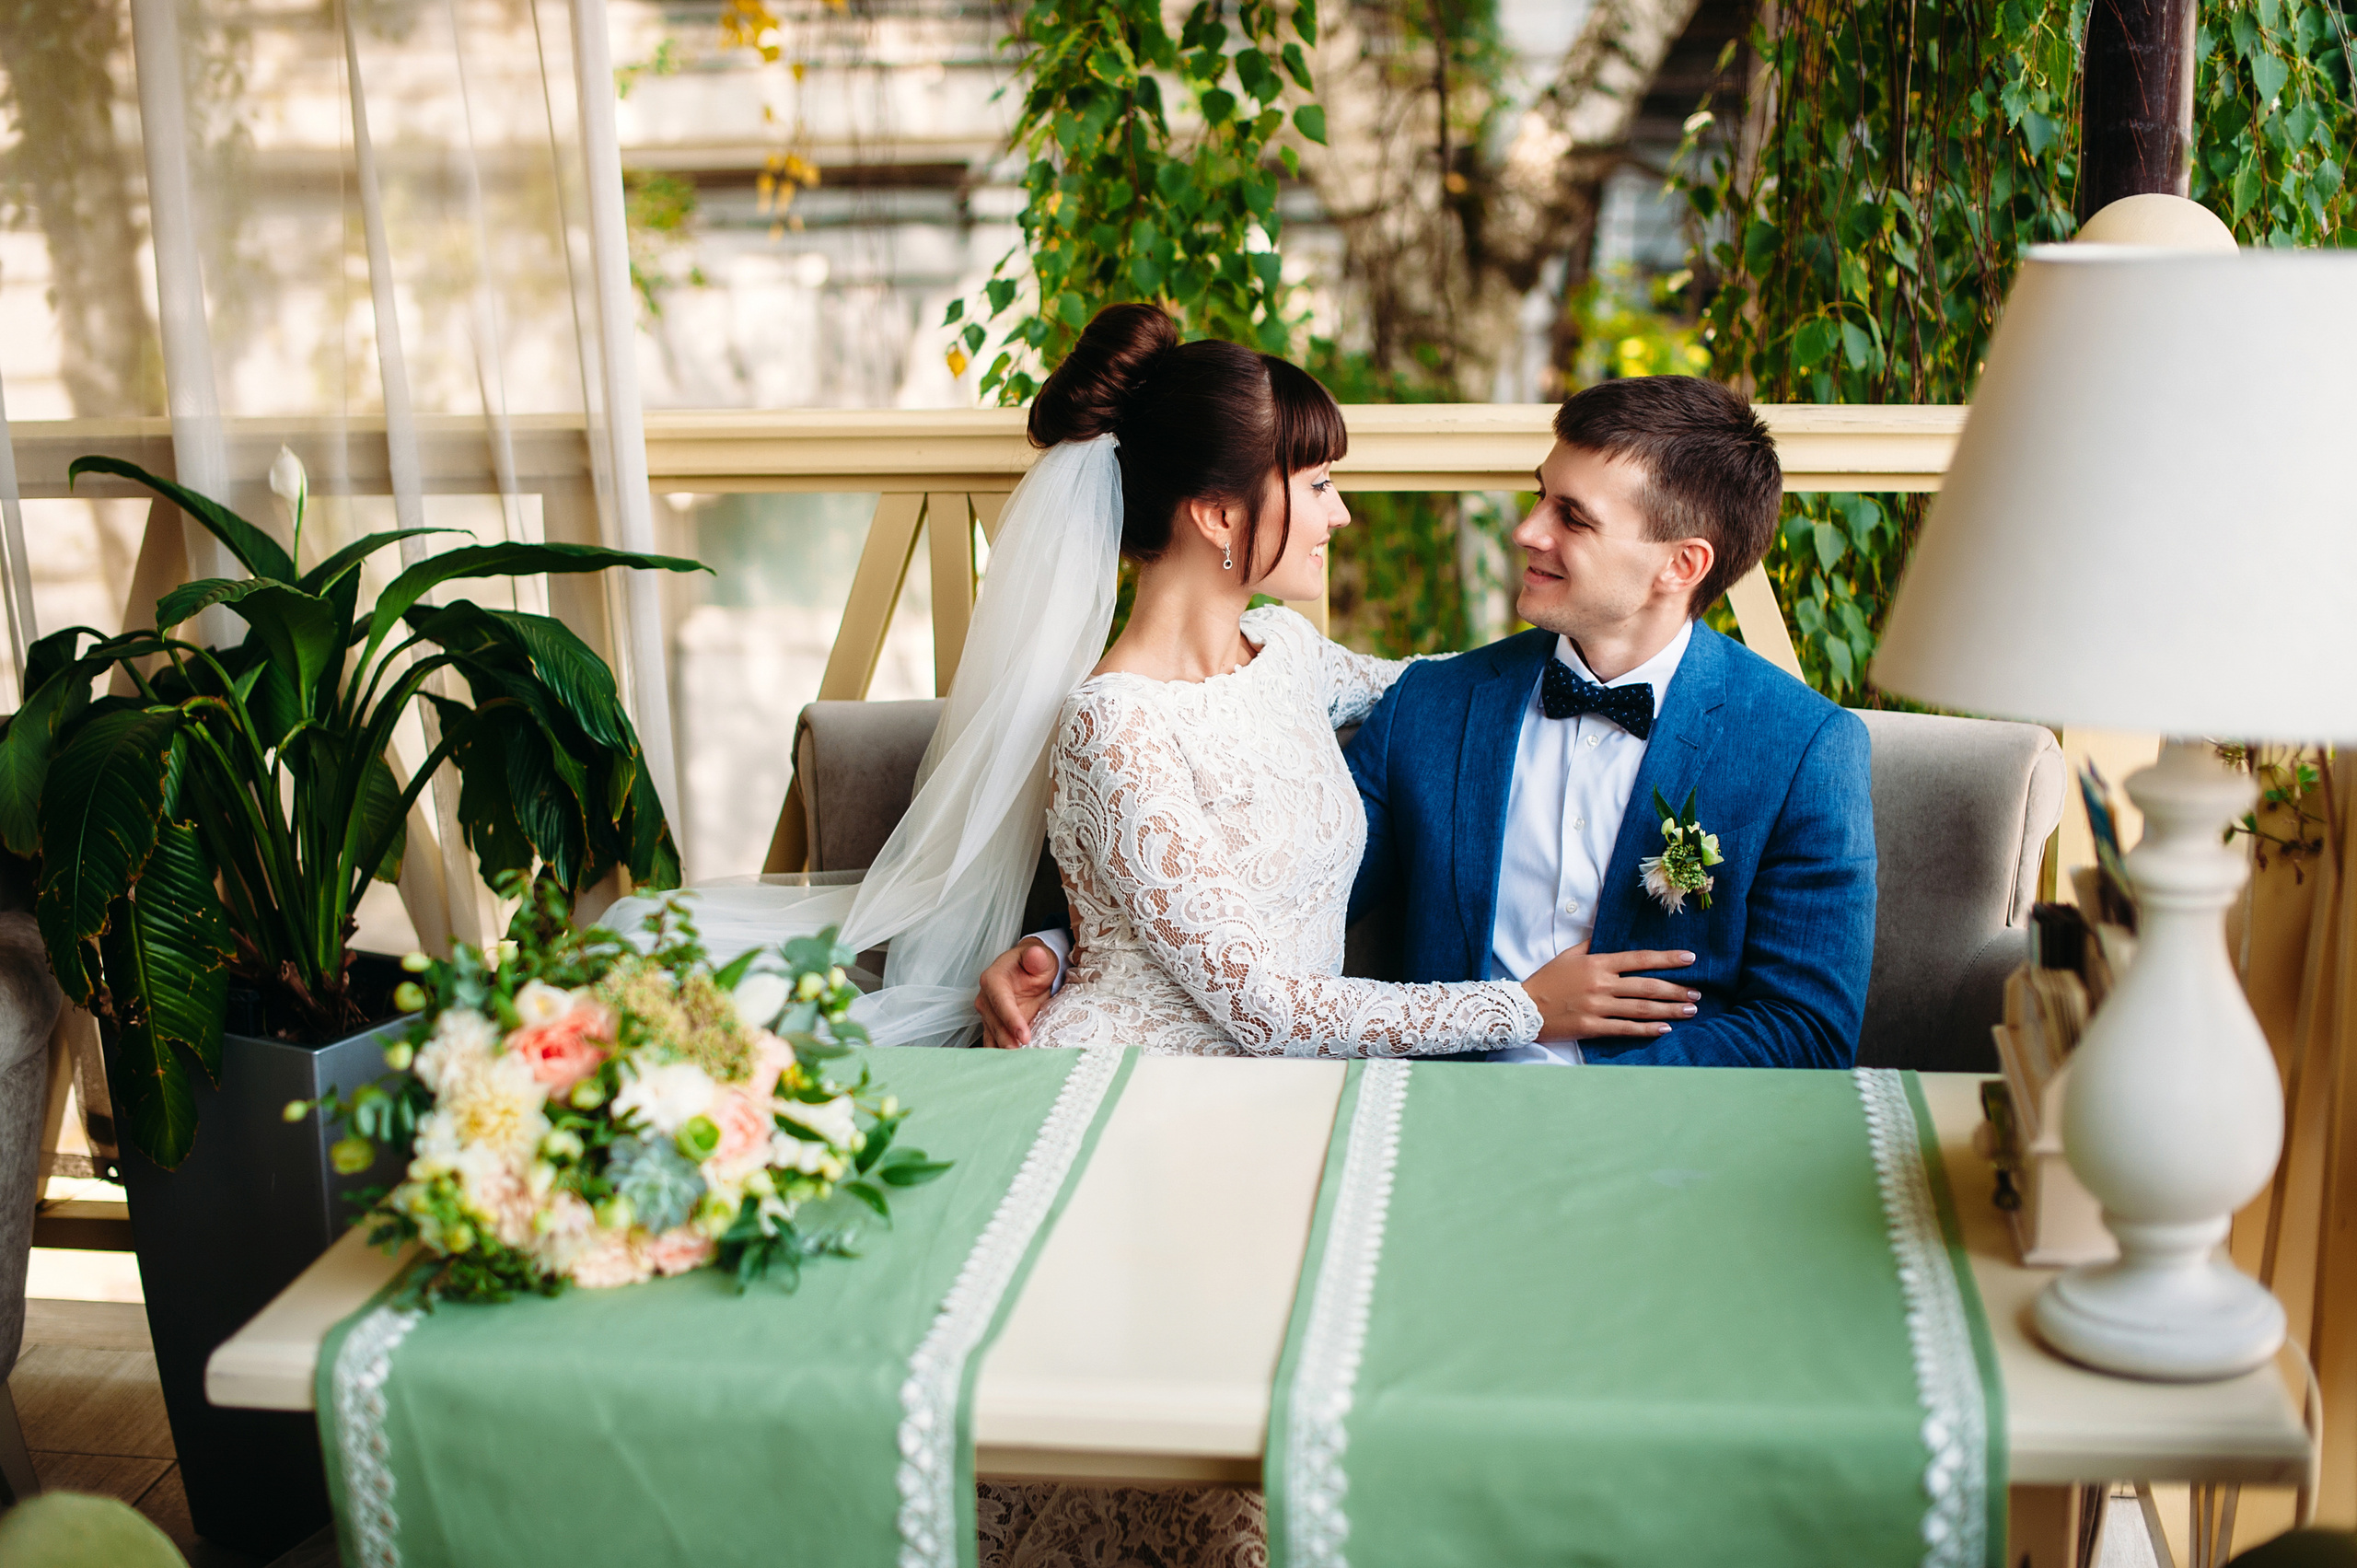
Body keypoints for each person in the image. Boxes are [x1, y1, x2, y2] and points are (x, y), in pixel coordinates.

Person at [978, 373, 1876, 1069]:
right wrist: (1083, 940)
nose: (1524, 531)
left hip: (1662, 1132)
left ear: (1678, 565)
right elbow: (1290, 889)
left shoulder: (1803, 746)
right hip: (1427, 1108)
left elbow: (1807, 1025)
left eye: (1570, 517)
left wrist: (1592, 1093)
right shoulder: (1437, 706)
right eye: (1539, 495)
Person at [1001, 302, 1616, 1060]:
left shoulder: (1287, 649)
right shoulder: (1115, 725)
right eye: (1320, 484)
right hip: (1136, 1082)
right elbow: (1265, 1008)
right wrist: (1525, 1007)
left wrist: (1605, 628)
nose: (1343, 513)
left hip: (1279, 1084)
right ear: (1220, 515)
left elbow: (1435, 685)